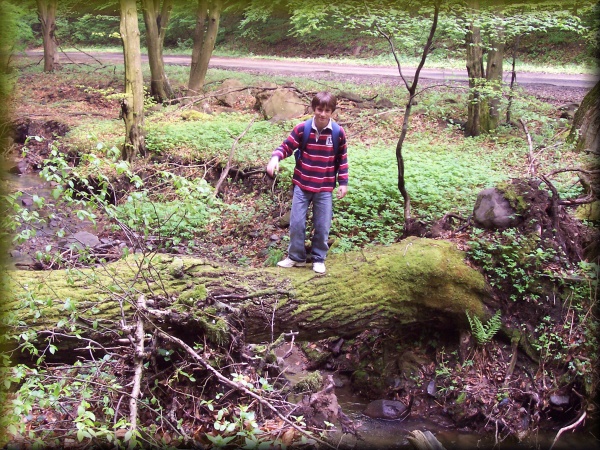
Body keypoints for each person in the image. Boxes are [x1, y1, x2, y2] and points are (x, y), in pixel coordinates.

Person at [266, 91, 348, 274]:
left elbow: (342, 158)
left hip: (324, 187)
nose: (322, 114)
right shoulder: (302, 129)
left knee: (322, 226)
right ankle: (296, 257)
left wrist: (343, 182)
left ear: (332, 112)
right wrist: (275, 158)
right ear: (313, 109)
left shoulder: (337, 133)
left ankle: (319, 258)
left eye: (327, 111)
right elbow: (286, 146)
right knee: (296, 223)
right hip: (302, 185)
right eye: (319, 109)